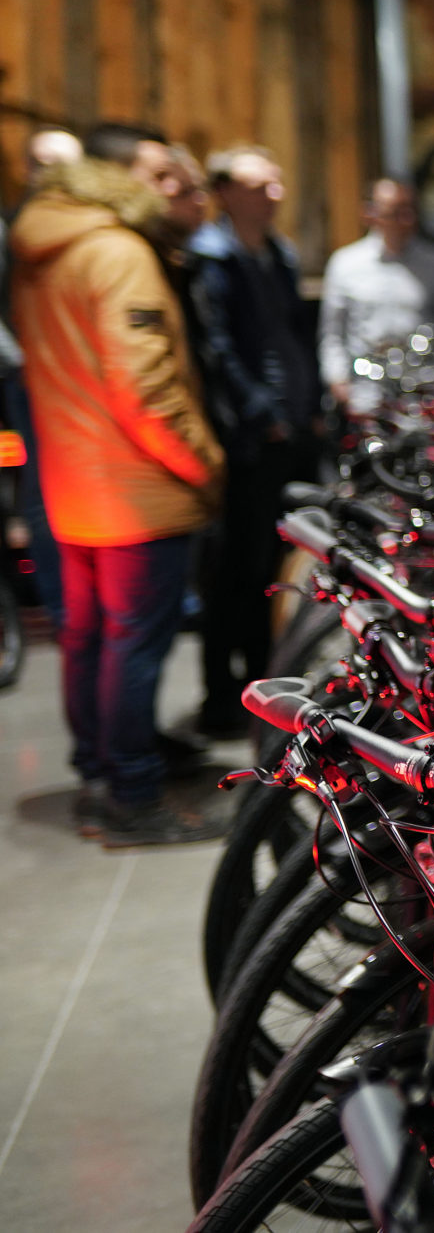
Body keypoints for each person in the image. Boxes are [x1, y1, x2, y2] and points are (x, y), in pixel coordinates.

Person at [12, 121, 227, 844]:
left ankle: (101, 773)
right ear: (115, 177)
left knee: (90, 639)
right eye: (155, 173)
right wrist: (206, 463)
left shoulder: (43, 247)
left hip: (73, 482)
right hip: (136, 488)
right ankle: (133, 796)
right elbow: (147, 389)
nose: (168, 188)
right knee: (132, 643)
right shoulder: (117, 251)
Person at [189, 144, 319, 736]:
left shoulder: (277, 253)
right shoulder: (212, 259)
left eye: (277, 183)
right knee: (234, 570)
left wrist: (306, 406)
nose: (275, 195)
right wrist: (259, 411)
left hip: (286, 428)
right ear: (225, 192)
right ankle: (224, 699)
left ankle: (266, 686)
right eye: (260, 185)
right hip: (247, 438)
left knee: (270, 566)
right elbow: (218, 352)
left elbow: (291, 336)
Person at [3, 127, 87, 629]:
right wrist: (21, 362)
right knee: (44, 493)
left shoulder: (85, 227)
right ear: (29, 170)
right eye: (48, 164)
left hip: (80, 383)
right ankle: (61, 607)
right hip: (33, 381)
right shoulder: (15, 229)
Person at [319, 178, 434, 404]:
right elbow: (333, 333)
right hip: (365, 390)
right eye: (395, 212)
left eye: (410, 211)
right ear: (370, 214)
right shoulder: (345, 264)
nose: (405, 220)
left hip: (424, 390)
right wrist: (337, 380)